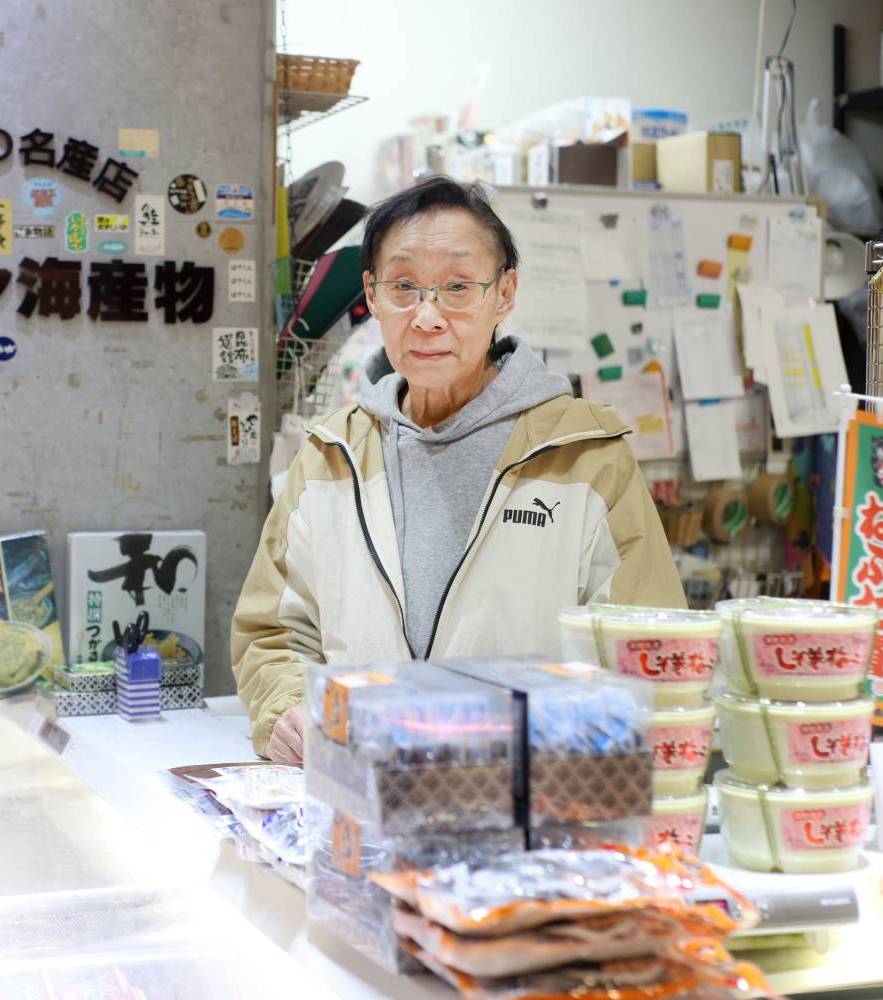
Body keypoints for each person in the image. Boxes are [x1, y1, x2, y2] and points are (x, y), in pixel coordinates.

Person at [232, 176, 684, 763]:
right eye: (404, 286)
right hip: (356, 800)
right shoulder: (329, 454)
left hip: (525, 811)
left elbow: (651, 647)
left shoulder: (586, 455)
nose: (427, 316)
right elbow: (271, 633)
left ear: (504, 294)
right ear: (370, 294)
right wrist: (287, 708)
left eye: (458, 287)